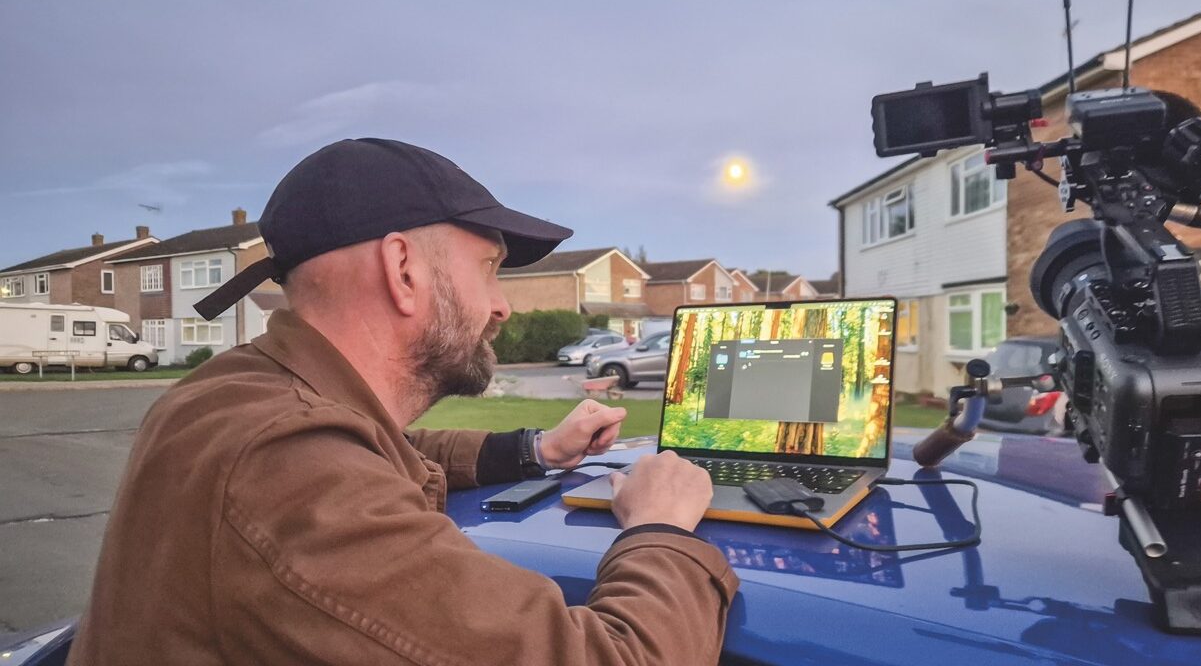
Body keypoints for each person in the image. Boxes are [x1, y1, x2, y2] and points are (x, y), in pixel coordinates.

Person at [68, 138, 738, 665]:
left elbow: (380, 449)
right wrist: (661, 529)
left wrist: (535, 449)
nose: (502, 304)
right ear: (403, 270)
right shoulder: (284, 465)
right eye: (489, 268)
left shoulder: (240, 395)